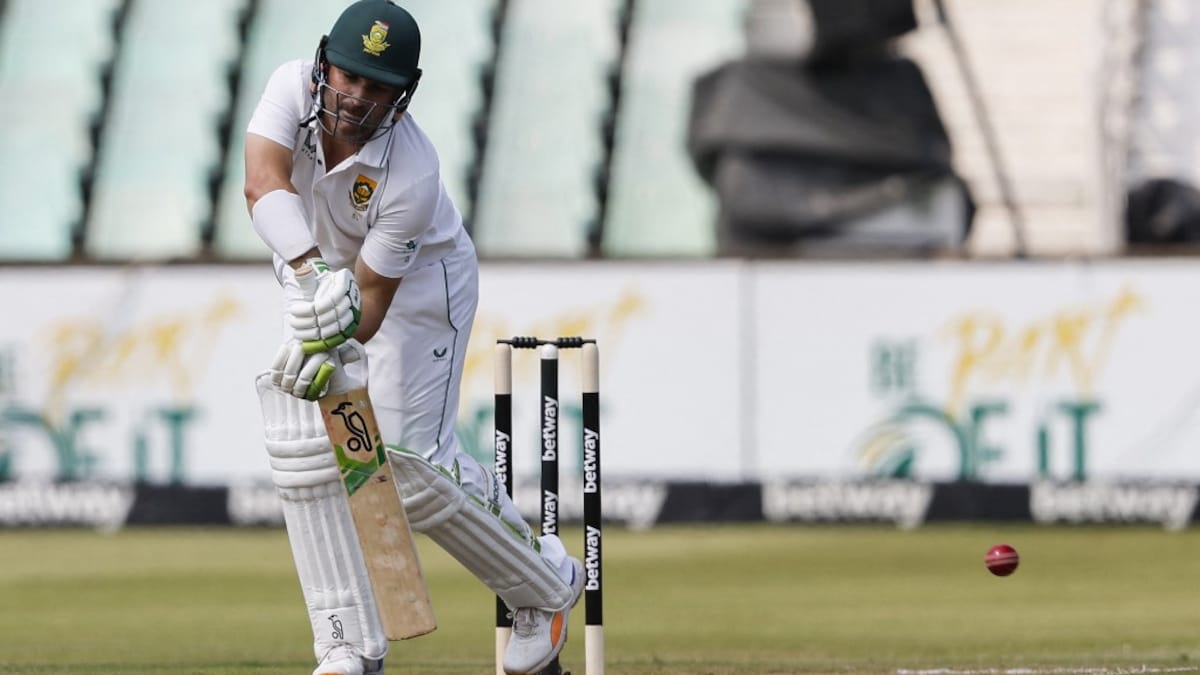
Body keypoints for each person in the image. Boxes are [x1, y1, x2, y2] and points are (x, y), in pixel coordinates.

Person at [243, 2, 583, 674]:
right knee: (302, 449)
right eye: (348, 76)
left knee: (413, 470)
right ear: (323, 64)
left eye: (377, 86)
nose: (356, 96)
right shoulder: (289, 86)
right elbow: (262, 182)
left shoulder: (413, 173)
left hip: (421, 288)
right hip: (313, 271)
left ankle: (544, 585)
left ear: (404, 93)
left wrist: (328, 323)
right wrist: (312, 278)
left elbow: (370, 306)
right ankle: (346, 643)